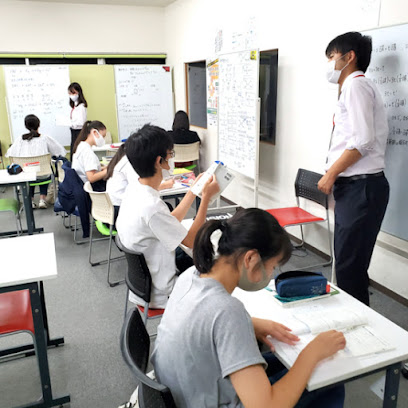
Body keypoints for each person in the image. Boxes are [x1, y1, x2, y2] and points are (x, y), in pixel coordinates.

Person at [152, 208, 346, 408]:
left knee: (280, 362)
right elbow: (267, 406)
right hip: (208, 399)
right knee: (328, 381)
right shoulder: (227, 311)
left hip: (188, 391)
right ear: (251, 259)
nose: (270, 274)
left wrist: (250, 324)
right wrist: (312, 353)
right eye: (272, 266)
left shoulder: (191, 275)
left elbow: (199, 323)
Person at [318, 32, 390, 306]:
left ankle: (360, 330)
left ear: (349, 57)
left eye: (332, 58)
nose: (329, 65)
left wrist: (331, 173)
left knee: (349, 268)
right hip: (356, 188)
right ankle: (353, 323)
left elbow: (362, 140)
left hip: (361, 187)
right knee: (349, 265)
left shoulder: (356, 86)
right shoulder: (354, 87)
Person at [116, 124, 219, 309]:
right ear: (159, 161)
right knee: (218, 266)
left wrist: (193, 191)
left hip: (142, 284)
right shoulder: (151, 207)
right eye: (170, 155)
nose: (171, 160)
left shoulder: (135, 190)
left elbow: (167, 221)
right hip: (164, 292)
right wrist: (206, 199)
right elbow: (192, 240)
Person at [6, 114, 66, 209]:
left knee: (31, 173)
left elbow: (9, 154)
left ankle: (31, 201)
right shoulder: (45, 139)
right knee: (42, 171)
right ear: (39, 125)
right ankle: (42, 199)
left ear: (26, 126)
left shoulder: (20, 140)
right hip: (44, 174)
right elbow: (60, 152)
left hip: (26, 175)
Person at [105, 143, 174, 223]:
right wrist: (165, 185)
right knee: (163, 208)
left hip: (113, 208)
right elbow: (141, 188)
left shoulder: (123, 159)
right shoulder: (129, 163)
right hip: (120, 211)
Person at [71, 120, 107, 191]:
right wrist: (108, 171)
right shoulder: (88, 152)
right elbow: (91, 177)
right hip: (88, 188)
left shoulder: (81, 146)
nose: (103, 139)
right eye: (103, 136)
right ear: (94, 132)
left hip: (80, 186)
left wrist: (101, 169)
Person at [68, 82, 87, 160]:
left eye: (73, 93)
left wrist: (72, 123)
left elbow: (81, 122)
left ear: (79, 92)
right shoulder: (75, 106)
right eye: (69, 93)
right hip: (73, 131)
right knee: (73, 153)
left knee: (77, 154)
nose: (71, 95)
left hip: (79, 132)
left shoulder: (81, 106)